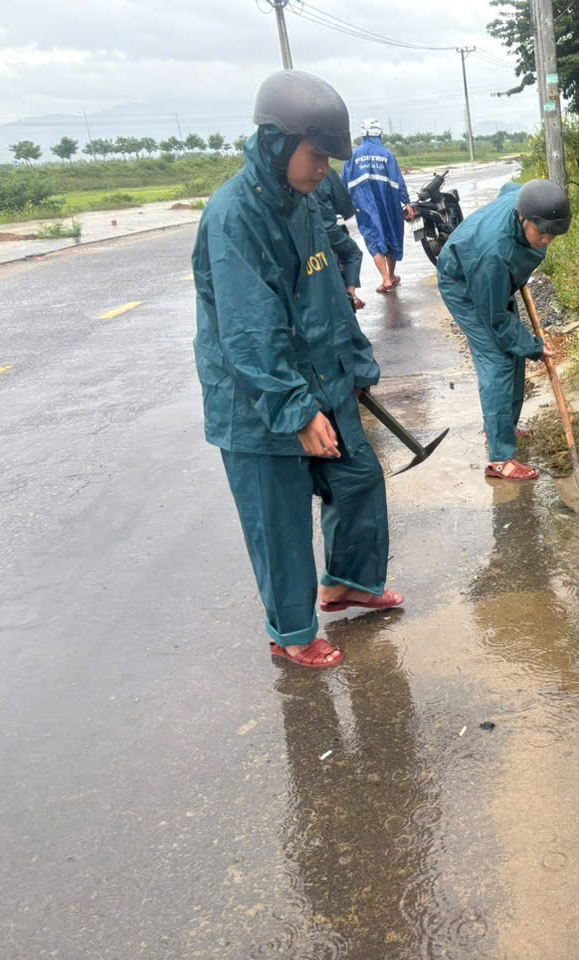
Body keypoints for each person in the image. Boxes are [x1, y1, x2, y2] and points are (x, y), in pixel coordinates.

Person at [192, 70, 403, 670]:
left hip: (318, 377)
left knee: (358, 478)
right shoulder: (234, 217)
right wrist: (297, 410)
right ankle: (291, 632)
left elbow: (328, 294)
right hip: (256, 401)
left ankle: (348, 583)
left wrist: (355, 366)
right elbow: (249, 331)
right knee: (279, 521)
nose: (323, 170)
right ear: (276, 142)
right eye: (316, 156)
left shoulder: (305, 203)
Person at [436, 178, 571, 481]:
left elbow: (508, 188)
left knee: (514, 351)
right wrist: (534, 345)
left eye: (553, 234)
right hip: (464, 282)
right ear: (523, 219)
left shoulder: (526, 199)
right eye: (542, 233)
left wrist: (524, 345)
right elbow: (496, 319)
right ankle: (500, 459)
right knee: (498, 359)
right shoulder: (493, 255)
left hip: (490, 275)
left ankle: (504, 427)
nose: (547, 240)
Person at [342, 118, 414, 294]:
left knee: (373, 239)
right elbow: (398, 180)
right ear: (379, 134)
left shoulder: (352, 157)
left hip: (365, 207)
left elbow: (343, 184)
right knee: (390, 236)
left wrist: (343, 208)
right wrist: (406, 202)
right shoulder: (387, 155)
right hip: (389, 205)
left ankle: (386, 279)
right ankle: (391, 275)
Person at [314, 165, 365, 311]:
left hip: (301, 233)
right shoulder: (324, 170)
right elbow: (342, 199)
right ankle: (351, 294)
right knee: (354, 253)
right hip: (328, 229)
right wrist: (346, 212)